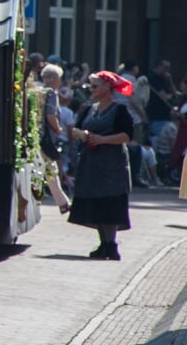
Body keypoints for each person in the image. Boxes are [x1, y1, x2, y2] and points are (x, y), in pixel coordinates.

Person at [67, 70, 134, 261]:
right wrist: (82, 135)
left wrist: (103, 139)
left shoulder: (120, 110)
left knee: (110, 203)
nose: (92, 90)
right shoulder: (89, 109)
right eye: (91, 86)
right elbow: (77, 130)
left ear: (107, 87)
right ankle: (103, 244)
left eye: (95, 86)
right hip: (92, 164)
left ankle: (112, 245)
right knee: (96, 203)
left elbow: (127, 136)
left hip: (112, 165)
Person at [39, 64, 73, 213]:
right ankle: (63, 202)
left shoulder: (37, 89)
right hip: (46, 138)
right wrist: (58, 128)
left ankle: (63, 202)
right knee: (51, 169)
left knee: (48, 169)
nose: (60, 81)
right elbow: (50, 115)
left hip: (38, 136)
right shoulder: (51, 93)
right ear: (53, 79)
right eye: (59, 78)